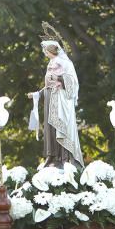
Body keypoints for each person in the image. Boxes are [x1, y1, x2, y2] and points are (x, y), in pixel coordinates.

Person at [30, 34, 82, 167]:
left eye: (46, 51)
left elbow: (73, 82)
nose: (45, 54)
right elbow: (48, 85)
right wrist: (37, 94)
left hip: (61, 99)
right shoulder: (50, 64)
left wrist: (59, 79)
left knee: (61, 127)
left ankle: (64, 156)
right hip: (50, 99)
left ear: (51, 51)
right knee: (50, 128)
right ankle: (52, 156)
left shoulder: (66, 63)